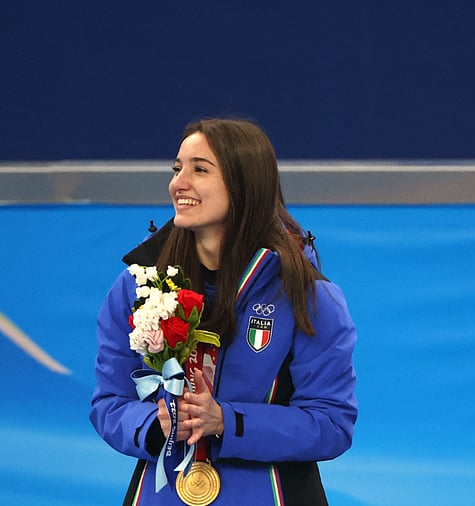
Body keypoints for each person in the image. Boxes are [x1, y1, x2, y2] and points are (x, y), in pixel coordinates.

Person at [90, 118, 358, 505]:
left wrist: (227, 422)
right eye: (177, 168)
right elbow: (108, 403)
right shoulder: (136, 286)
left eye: (200, 170)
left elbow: (331, 424)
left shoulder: (308, 295)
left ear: (244, 184)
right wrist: (153, 424)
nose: (178, 183)